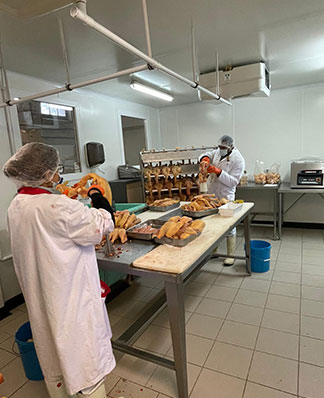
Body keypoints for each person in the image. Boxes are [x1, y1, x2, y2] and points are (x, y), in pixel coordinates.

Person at [3, 142, 116, 398]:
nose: (57, 175)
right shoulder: (61, 207)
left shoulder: (17, 204)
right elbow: (103, 223)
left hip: (42, 296)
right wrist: (97, 195)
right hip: (71, 300)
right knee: (86, 364)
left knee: (54, 358)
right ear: (45, 173)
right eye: (55, 170)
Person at [200, 135, 245, 265]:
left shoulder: (239, 160)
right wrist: (205, 158)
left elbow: (233, 182)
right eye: (219, 147)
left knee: (229, 225)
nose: (220, 149)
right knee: (213, 223)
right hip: (211, 193)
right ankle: (214, 251)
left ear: (230, 147)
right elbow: (208, 154)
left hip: (226, 195)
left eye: (223, 148)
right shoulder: (217, 152)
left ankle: (230, 255)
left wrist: (218, 172)